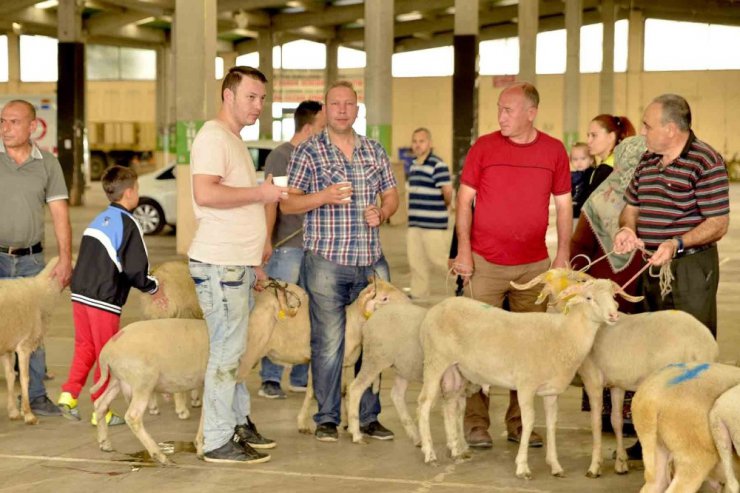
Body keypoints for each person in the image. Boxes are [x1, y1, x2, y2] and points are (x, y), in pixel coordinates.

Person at [453, 82, 572, 449]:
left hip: (533, 265)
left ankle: (520, 422)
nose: (500, 116)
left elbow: (565, 206)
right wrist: (463, 251)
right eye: (499, 109)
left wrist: (563, 252)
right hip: (484, 263)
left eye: (508, 110)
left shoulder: (553, 150)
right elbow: (464, 201)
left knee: (529, 346)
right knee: (477, 344)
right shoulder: (484, 147)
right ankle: (475, 423)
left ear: (531, 113)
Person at [282, 80, 399, 443]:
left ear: (357, 109)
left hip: (371, 264)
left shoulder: (374, 150)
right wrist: (323, 196)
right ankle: (328, 417)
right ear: (326, 110)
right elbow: (288, 203)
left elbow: (392, 196)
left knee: (376, 341)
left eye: (349, 104)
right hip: (326, 263)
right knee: (328, 341)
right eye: (336, 104)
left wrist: (382, 212)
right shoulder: (309, 152)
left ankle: (368, 416)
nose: (343, 109)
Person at [188, 66, 286, 464]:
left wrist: (253, 263)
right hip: (219, 264)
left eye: (262, 98)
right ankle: (215, 439)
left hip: (235, 265)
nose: (258, 105)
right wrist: (262, 192)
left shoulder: (233, 140)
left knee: (235, 350)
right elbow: (206, 193)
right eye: (251, 97)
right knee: (227, 354)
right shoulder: (213, 138)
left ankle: (237, 422)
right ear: (228, 96)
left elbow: (235, 204)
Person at [57, 166, 166, 425]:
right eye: (137, 189)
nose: (138, 193)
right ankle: (101, 412)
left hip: (80, 294)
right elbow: (135, 271)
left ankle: (68, 395)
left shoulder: (99, 219)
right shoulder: (129, 224)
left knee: (85, 347)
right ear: (129, 193)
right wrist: (155, 288)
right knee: (107, 355)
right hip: (103, 299)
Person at [615, 93, 730, 339]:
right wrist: (627, 229)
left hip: (690, 267)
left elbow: (718, 224)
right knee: (649, 337)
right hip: (650, 263)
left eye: (647, 125)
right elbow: (631, 207)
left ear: (670, 129)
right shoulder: (647, 159)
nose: (643, 131)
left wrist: (676, 243)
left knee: (689, 340)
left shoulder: (705, 161)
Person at [570, 136, 648, 453]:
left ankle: (621, 414)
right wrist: (579, 284)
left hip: (621, 291)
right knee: (616, 350)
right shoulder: (610, 200)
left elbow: (577, 249)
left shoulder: (606, 199)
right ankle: (620, 414)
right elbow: (578, 247)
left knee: (618, 351)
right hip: (616, 294)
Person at [0, 99, 73, 417]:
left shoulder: (48, 164)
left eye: (13, 122)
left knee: (34, 329)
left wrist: (66, 257)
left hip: (32, 260)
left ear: (32, 127)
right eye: (2, 121)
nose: (5, 128)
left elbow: (60, 214)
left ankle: (37, 396)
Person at [258, 100, 325, 400]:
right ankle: (270, 377)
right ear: (309, 128)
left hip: (316, 249)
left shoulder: (320, 157)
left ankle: (300, 375)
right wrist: (266, 241)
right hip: (287, 249)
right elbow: (271, 201)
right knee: (278, 310)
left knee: (308, 312)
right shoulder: (281, 156)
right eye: (323, 127)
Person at [406, 127, 453, 300]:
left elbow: (447, 191)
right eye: (415, 141)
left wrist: (445, 206)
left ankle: (461, 284)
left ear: (430, 143)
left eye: (422, 141)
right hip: (415, 224)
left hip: (433, 224)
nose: (418, 145)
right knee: (416, 262)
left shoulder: (437, 164)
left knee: (439, 260)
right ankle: (419, 295)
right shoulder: (413, 165)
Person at [583, 114, 636, 201]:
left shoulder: (607, 169)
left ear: (611, 137)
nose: (588, 141)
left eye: (594, 135)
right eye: (588, 136)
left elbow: (590, 206)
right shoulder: (620, 161)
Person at [570, 142, 593, 219]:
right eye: (575, 159)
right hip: (574, 206)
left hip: (585, 208)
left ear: (591, 160)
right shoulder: (573, 175)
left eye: (583, 158)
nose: (579, 162)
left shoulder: (591, 173)